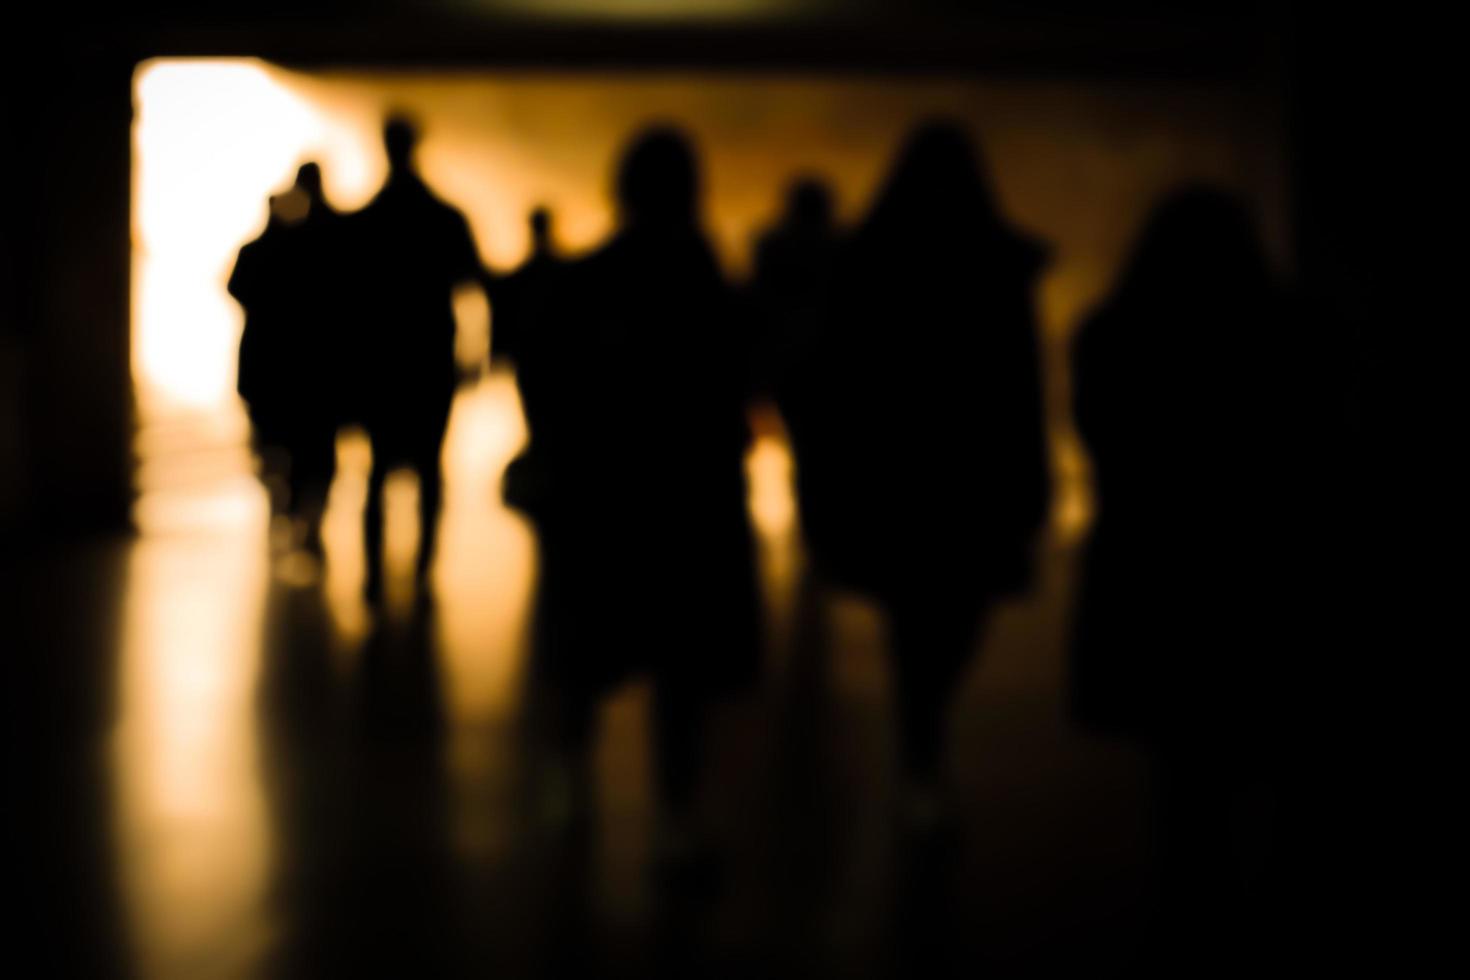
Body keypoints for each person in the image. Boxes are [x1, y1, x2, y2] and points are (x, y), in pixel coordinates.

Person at [775, 121, 1051, 833]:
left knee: (923, 617)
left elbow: (830, 375)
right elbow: (1021, 386)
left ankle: (920, 744)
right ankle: (922, 748)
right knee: (945, 617)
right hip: (959, 474)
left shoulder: (870, 263)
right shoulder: (993, 268)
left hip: (904, 474)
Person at [1070, 185, 1310, 958]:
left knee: (1184, 777)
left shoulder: (1110, 336)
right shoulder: (1288, 336)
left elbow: (1103, 441)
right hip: (1260, 573)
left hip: (1153, 568)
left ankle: (1191, 919)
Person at [518, 126, 760, 873]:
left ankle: (568, 782)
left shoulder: (587, 279)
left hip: (598, 500)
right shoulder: (708, 281)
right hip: (689, 504)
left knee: (583, 653)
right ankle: (675, 817)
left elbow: (545, 384)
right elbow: (737, 390)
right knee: (681, 672)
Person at [347, 115, 483, 604]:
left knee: (379, 468)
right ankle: (423, 570)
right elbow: (472, 289)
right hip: (429, 356)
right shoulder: (444, 217)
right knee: (428, 465)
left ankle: (375, 575)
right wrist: (474, 354)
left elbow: (345, 300)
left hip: (382, 359)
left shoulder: (367, 220)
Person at [229, 162, 344, 555]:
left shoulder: (263, 251)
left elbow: (236, 291)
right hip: (309, 370)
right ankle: (302, 513)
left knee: (278, 444)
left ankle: (289, 506)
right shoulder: (322, 244)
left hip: (270, 367)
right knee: (310, 450)